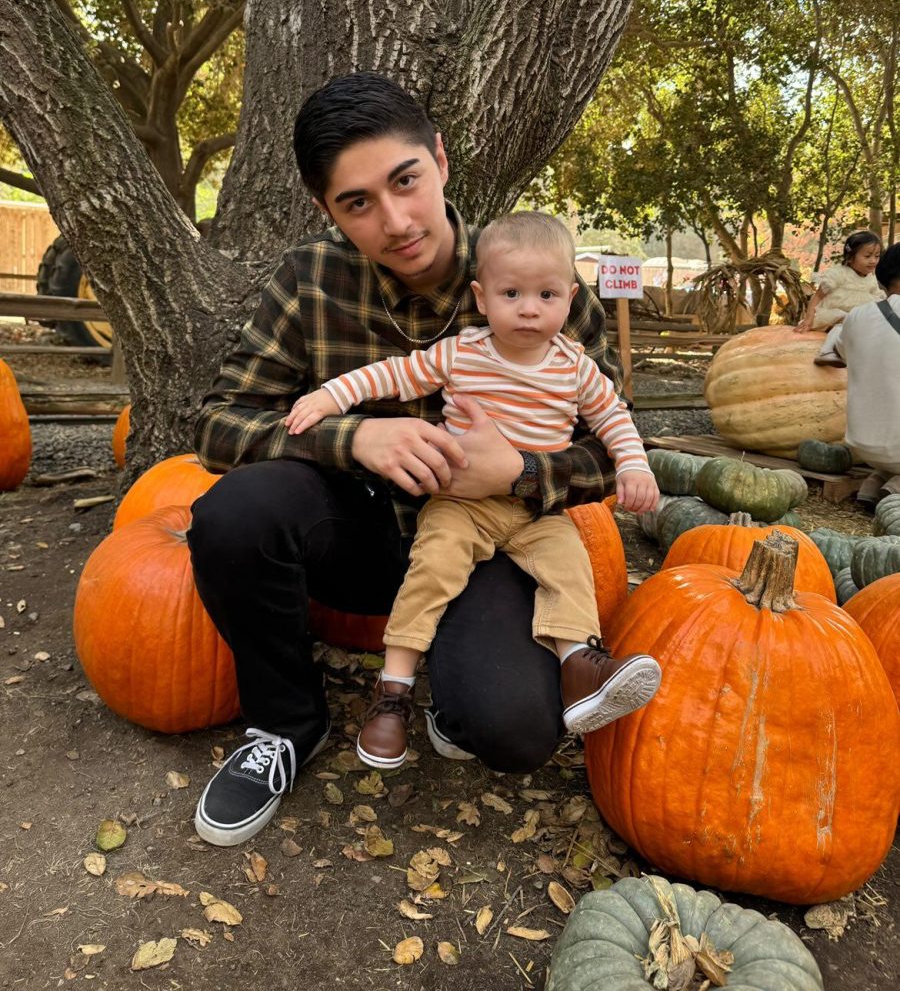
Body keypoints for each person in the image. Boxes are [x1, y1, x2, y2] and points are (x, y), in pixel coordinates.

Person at [187, 72, 639, 847]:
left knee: (515, 732)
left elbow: (616, 438)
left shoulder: (532, 276)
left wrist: (524, 473)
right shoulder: (307, 282)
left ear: (440, 159)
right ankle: (286, 725)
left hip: (496, 536)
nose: (395, 221)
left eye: (406, 181)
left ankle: (449, 684)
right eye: (357, 203)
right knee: (232, 514)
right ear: (326, 209)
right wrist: (354, 437)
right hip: (356, 534)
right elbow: (219, 426)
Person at [284, 211, 661, 770]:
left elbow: (615, 421)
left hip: (537, 509)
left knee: (571, 568)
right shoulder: (464, 352)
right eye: (512, 293)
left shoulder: (577, 368)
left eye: (546, 294)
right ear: (483, 298)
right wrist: (332, 398)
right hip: (463, 505)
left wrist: (637, 468)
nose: (529, 308)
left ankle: (579, 664)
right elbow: (393, 374)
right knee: (432, 569)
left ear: (570, 298)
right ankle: (394, 691)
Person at [834, 242, 900, 505]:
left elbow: (840, 352)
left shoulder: (857, 316)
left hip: (863, 444)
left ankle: (874, 484)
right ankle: (896, 487)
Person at [794, 231, 883, 366]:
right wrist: (808, 318)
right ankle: (826, 351)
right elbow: (817, 297)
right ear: (850, 258)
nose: (873, 261)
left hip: (856, 320)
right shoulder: (839, 274)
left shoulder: (871, 280)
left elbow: (878, 301)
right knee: (845, 320)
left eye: (877, 256)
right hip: (832, 315)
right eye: (867, 256)